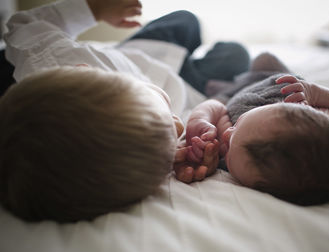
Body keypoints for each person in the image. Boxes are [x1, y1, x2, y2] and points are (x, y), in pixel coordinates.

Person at [0, 0, 248, 222]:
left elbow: (23, 24)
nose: (179, 127)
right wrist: (198, 142)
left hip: (146, 56)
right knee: (236, 55)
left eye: (170, 125)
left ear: (85, 70)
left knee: (186, 20)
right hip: (188, 88)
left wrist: (93, 9)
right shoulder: (130, 156)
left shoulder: (50, 57)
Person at [176, 52, 329, 206]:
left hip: (228, 93)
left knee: (226, 61)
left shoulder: (244, 162)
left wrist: (199, 122)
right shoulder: (290, 96)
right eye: (237, 126)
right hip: (263, 79)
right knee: (259, 58)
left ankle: (215, 79)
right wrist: (310, 91)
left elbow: (216, 106)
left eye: (230, 152)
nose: (227, 133)